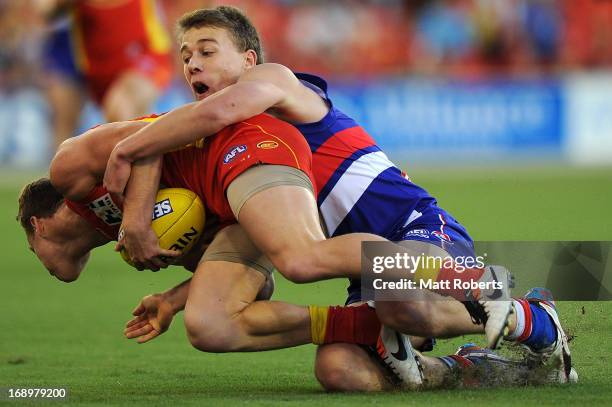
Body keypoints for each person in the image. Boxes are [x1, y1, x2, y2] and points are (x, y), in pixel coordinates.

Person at [100, 5, 574, 386]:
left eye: (206, 51)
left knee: (396, 299)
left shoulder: (276, 82)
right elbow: (259, 258)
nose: (192, 64)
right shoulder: (239, 159)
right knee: (339, 370)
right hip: (364, 269)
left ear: (248, 59)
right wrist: (177, 298)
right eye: (184, 56)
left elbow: (222, 108)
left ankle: (534, 315)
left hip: (415, 230)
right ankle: (462, 368)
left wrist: (131, 145)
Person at [17, 116, 549, 392]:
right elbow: (257, 285)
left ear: (39, 224)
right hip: (232, 202)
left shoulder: (71, 171)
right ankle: (393, 338)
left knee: (303, 258)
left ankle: (481, 282)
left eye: (31, 246)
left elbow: (149, 137)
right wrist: (177, 298)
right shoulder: (140, 241)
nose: (45, 265)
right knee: (213, 326)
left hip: (244, 148)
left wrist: (134, 221)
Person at [39, 0, 173, 148]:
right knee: (63, 118)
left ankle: (139, 163)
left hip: (142, 53)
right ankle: (64, 169)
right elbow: (46, 11)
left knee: (121, 109)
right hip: (93, 62)